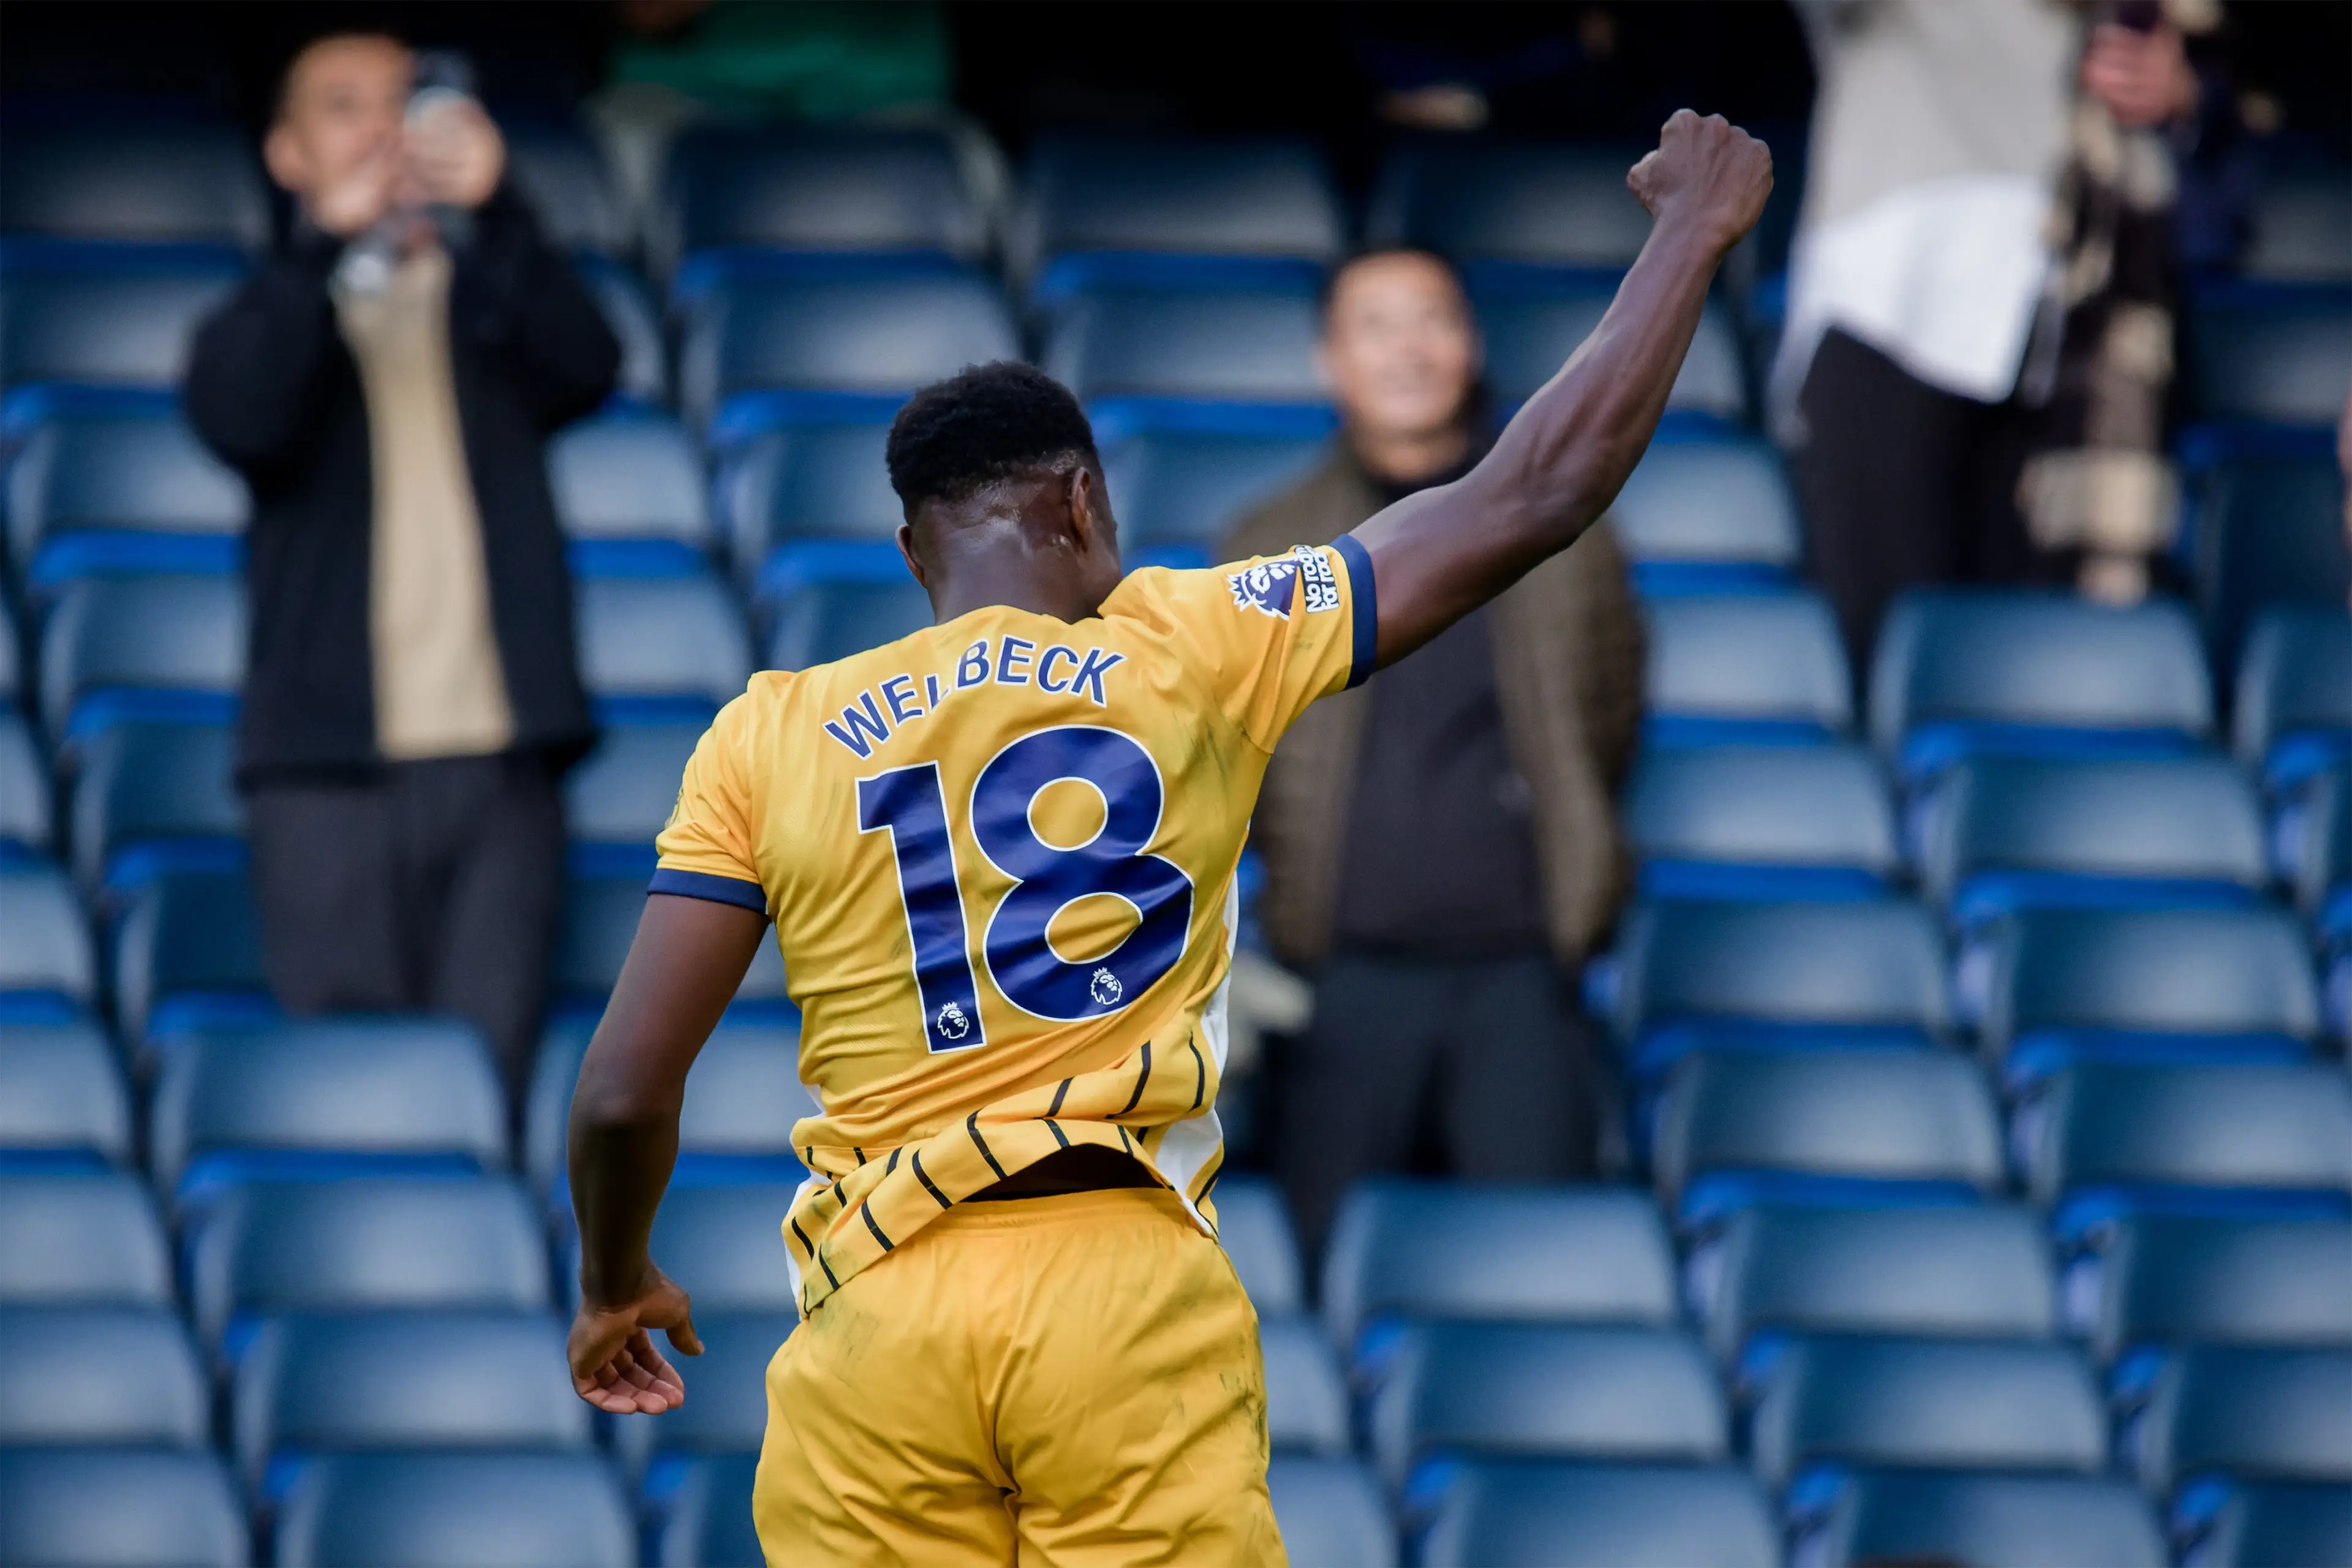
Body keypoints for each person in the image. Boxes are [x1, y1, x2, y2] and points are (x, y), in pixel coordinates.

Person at [564, 110, 1771, 1564]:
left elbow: (625, 1089)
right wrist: (1689, 233)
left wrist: (614, 1274)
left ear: (912, 557)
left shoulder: (769, 728)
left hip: (876, 1310)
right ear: (1082, 501)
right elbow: (1533, 491)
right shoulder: (1194, 640)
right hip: (1119, 1286)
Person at [185, 33, 619, 1093]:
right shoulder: (265, 315)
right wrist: (318, 257)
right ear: (287, 153)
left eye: (403, 102)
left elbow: (590, 364)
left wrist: (504, 210)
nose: (383, 130)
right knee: (353, 1091)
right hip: (324, 776)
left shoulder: (489, 302)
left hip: (502, 766)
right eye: (345, 108)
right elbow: (243, 416)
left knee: (490, 1091)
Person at [1223, 247, 1643, 1268]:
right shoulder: (1271, 542)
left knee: (1544, 1271)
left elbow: (1611, 711)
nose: (1409, 350)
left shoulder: (1567, 534)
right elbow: (1239, 747)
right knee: (1324, 1276)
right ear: (1330, 361)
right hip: (1342, 979)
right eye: (1378, 325)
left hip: (1522, 977)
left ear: (1471, 346)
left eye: (1433, 321)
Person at [1774, 0, 2215, 667]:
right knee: (1886, 652)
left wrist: (2188, 86)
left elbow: (2236, 90)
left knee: (2048, 661)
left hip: (2080, 317)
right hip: (1896, 302)